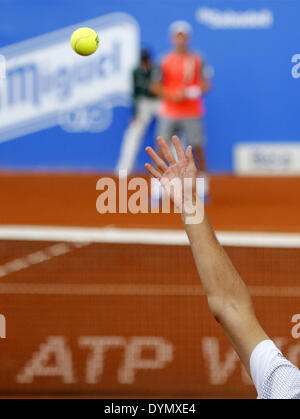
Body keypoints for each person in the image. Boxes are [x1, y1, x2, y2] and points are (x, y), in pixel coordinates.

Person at [145, 135, 300, 399]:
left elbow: (231, 306)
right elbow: (229, 305)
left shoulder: (286, 385)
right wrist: (190, 204)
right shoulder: (286, 384)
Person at [151, 21, 211, 200]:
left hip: (192, 112)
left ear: (188, 38)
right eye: (177, 36)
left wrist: (190, 91)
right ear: (172, 38)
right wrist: (171, 94)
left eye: (183, 36)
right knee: (161, 149)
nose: (180, 39)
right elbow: (155, 86)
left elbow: (206, 85)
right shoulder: (164, 60)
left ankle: (202, 190)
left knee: (197, 150)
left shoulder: (198, 59)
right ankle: (157, 191)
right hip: (169, 112)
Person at [116, 49, 159, 176]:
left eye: (146, 59)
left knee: (170, 131)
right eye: (143, 59)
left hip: (159, 102)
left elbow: (160, 89)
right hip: (143, 103)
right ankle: (123, 169)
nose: (145, 62)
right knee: (133, 133)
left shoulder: (156, 70)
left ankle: (174, 169)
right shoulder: (135, 71)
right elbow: (135, 94)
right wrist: (135, 113)